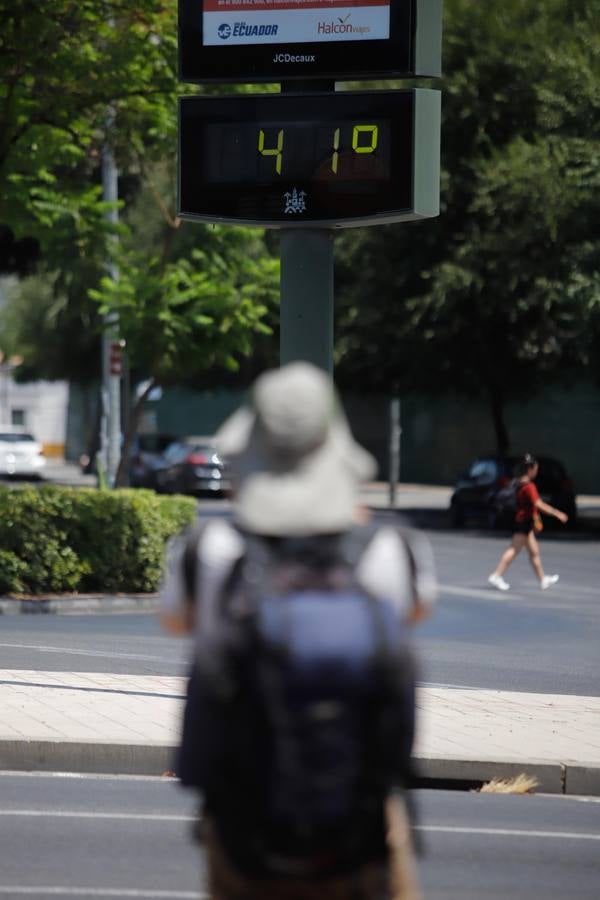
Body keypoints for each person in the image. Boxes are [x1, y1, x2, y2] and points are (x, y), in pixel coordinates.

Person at [160, 361, 437, 900]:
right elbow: (414, 613)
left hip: (243, 829)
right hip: (361, 826)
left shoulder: (209, 553)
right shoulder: (390, 552)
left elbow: (175, 620)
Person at [488, 453, 568, 592]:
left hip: (524, 522)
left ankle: (543, 580)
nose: (536, 472)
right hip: (523, 523)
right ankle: (496, 575)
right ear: (530, 469)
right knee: (513, 550)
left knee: (534, 552)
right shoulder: (529, 486)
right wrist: (557, 513)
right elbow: (538, 504)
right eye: (536, 469)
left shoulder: (518, 482)